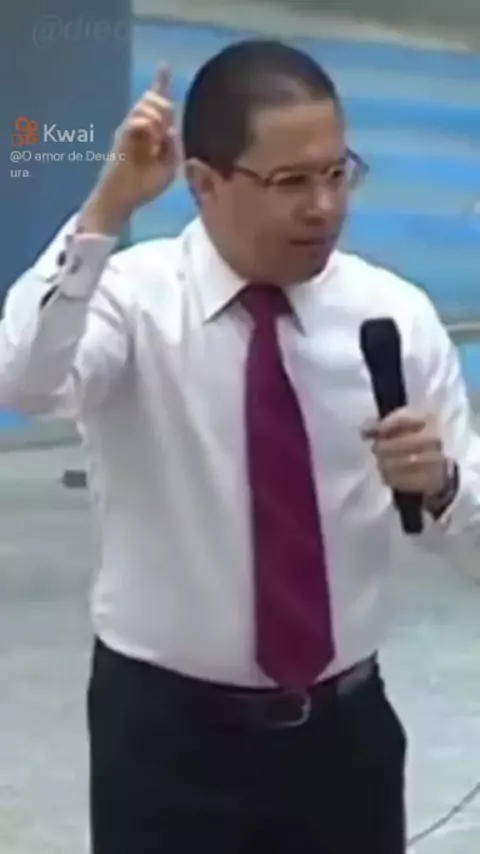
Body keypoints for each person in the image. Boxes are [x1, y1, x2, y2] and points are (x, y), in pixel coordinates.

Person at [1, 39, 480, 854]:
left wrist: (439, 484)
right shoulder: (133, 301)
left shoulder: (393, 317)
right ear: (203, 183)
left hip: (343, 738)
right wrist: (103, 212)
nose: (323, 207)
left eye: (338, 174)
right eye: (291, 182)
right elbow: (22, 383)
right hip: (166, 740)